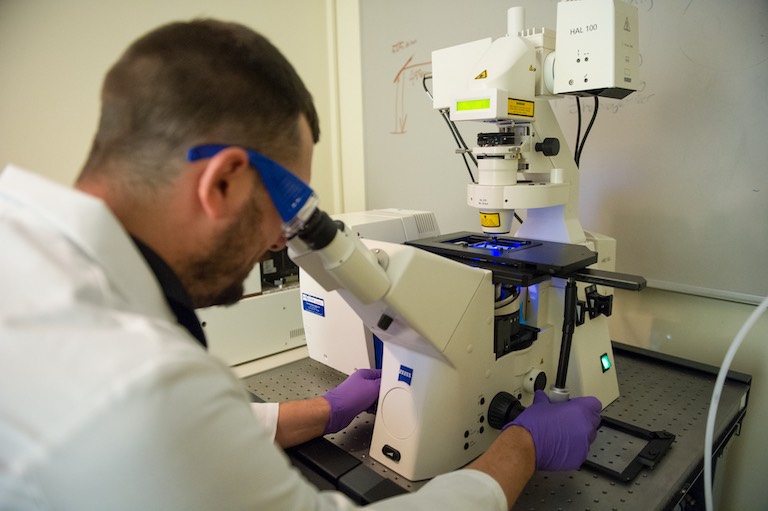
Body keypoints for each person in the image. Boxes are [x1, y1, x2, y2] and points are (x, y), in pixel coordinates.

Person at [0, 19, 602, 510]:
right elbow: (167, 424)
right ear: (224, 183)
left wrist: (319, 411)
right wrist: (521, 447)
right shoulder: (140, 387)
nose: (275, 245)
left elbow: (188, 443)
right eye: (287, 214)